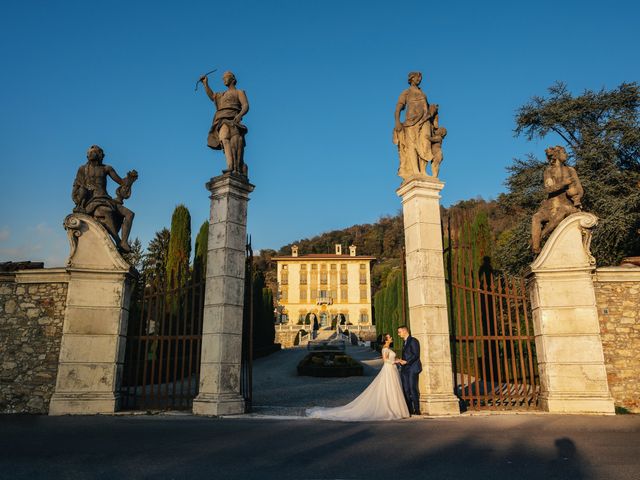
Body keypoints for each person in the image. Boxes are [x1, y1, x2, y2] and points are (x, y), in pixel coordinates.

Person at [306, 333, 410, 421]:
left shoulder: (388, 348)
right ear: (386, 340)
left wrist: (397, 360)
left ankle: (394, 408)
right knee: (388, 388)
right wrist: (398, 361)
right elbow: (385, 360)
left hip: (392, 370)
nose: (392, 338)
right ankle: (392, 408)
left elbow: (389, 358)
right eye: (390, 337)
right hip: (388, 369)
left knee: (392, 388)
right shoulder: (385, 348)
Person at [72, 145, 137, 252]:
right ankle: (118, 241)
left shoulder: (107, 168)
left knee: (130, 214)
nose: (93, 154)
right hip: (92, 201)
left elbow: (121, 182)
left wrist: (130, 180)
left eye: (96, 153)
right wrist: (78, 201)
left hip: (106, 199)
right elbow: (76, 186)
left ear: (100, 155)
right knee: (106, 211)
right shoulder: (82, 169)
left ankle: (124, 242)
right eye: (91, 153)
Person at [531, 145, 583, 254]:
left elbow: (580, 189)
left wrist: (577, 195)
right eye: (564, 153)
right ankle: (535, 247)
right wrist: (564, 183)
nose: (566, 155)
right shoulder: (548, 171)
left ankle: (542, 235)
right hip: (551, 207)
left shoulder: (570, 170)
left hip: (569, 207)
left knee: (563, 209)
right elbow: (548, 190)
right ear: (557, 155)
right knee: (536, 217)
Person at [201, 71, 249, 175]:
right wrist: (205, 84)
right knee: (224, 138)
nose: (223, 80)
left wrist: (240, 115)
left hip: (234, 120)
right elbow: (212, 96)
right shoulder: (221, 94)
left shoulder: (239, 92)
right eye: (223, 78)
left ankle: (239, 167)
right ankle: (230, 166)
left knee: (236, 146)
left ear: (232, 79)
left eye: (225, 78)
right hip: (222, 120)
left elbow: (245, 105)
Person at [393, 71, 437, 179]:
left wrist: (432, 110)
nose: (419, 80)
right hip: (410, 122)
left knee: (425, 144)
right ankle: (415, 171)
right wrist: (397, 122)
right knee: (412, 145)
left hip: (425, 120)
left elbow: (427, 108)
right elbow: (398, 108)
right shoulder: (406, 93)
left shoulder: (423, 93)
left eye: (420, 78)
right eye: (417, 77)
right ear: (411, 78)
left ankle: (423, 170)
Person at [396, 325, 422, 415]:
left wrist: (407, 362)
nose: (398, 334)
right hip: (405, 369)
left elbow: (416, 355)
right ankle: (409, 410)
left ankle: (417, 409)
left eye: (399, 332)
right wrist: (401, 361)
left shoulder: (413, 341)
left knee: (413, 388)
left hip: (413, 368)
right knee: (406, 389)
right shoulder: (405, 342)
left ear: (405, 331)